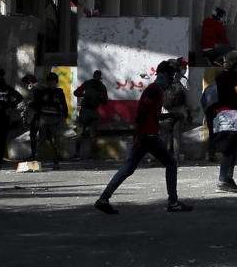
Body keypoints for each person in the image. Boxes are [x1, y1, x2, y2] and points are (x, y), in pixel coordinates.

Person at [94, 61, 192, 215]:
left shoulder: (156, 91)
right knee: (171, 163)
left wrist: (174, 114)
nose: (171, 81)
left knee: (128, 168)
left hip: (144, 135)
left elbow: (155, 115)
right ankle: (173, 202)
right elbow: (142, 113)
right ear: (162, 75)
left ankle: (103, 199)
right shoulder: (154, 90)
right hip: (148, 136)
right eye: (170, 76)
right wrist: (139, 134)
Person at [211, 50, 237, 191]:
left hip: (221, 114)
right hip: (232, 114)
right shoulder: (236, 76)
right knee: (230, 150)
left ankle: (228, 178)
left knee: (231, 148)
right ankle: (222, 181)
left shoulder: (219, 76)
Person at [37, 71, 69, 168]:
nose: (51, 83)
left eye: (53, 82)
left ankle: (56, 159)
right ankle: (39, 160)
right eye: (49, 81)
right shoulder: (43, 92)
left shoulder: (59, 92)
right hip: (43, 119)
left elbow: (64, 105)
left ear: (56, 82)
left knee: (55, 140)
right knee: (41, 139)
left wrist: (64, 116)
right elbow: (39, 105)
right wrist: (37, 118)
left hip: (55, 119)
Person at [74, 70, 109, 159]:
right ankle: (91, 155)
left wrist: (84, 95)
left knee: (82, 133)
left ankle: (78, 154)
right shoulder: (101, 86)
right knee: (90, 134)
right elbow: (105, 101)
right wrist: (98, 100)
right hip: (91, 111)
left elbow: (77, 93)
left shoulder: (88, 83)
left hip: (87, 111)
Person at [158, 66, 190, 162]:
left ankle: (162, 159)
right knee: (176, 137)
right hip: (179, 113)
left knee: (164, 136)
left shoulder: (162, 82)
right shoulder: (183, 81)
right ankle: (176, 159)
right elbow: (186, 97)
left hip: (165, 113)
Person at [21, 73, 43, 161]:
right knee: (46, 135)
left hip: (39, 115)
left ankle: (34, 154)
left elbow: (38, 103)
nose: (26, 86)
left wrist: (30, 105)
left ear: (29, 82)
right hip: (45, 115)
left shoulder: (35, 89)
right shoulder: (42, 87)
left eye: (26, 84)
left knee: (33, 134)